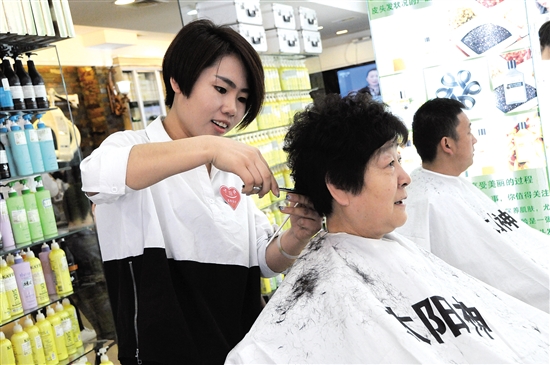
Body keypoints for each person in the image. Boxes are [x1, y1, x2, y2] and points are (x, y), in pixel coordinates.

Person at [225, 92, 549, 364]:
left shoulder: (395, 248)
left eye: (399, 160)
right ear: (339, 185)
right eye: (389, 164)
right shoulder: (325, 291)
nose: (405, 178)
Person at [80, 19, 321, 365]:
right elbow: (96, 178)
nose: (232, 109)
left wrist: (296, 235)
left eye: (242, 98)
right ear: (177, 80)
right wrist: (207, 147)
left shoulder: (227, 168)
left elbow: (261, 260)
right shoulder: (132, 149)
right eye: (221, 90)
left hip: (238, 353)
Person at [395, 97, 549, 313]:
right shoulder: (423, 202)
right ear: (447, 144)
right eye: (469, 132)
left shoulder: (455, 184)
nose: (474, 140)